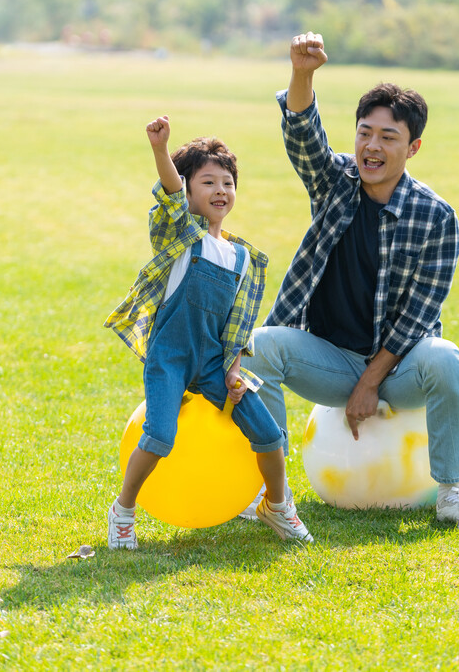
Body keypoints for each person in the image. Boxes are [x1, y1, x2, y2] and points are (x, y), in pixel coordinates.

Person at [240, 32, 459, 529]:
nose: (371, 146)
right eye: (364, 133)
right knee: (258, 348)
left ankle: (451, 494)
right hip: (330, 359)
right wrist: (302, 73)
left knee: (445, 357)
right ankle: (272, 494)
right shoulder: (335, 181)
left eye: (387, 137)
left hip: (398, 370)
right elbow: (302, 137)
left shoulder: (436, 216)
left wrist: (371, 382)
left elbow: (422, 313)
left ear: (413, 146)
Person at [98, 115, 314, 550]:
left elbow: (234, 327)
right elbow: (171, 196)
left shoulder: (240, 258)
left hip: (215, 362)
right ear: (190, 191)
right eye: (208, 183)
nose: (220, 191)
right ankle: (123, 511)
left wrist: (234, 371)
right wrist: (161, 150)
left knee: (270, 436)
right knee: (159, 435)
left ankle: (276, 505)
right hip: (171, 358)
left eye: (228, 183)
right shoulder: (182, 237)